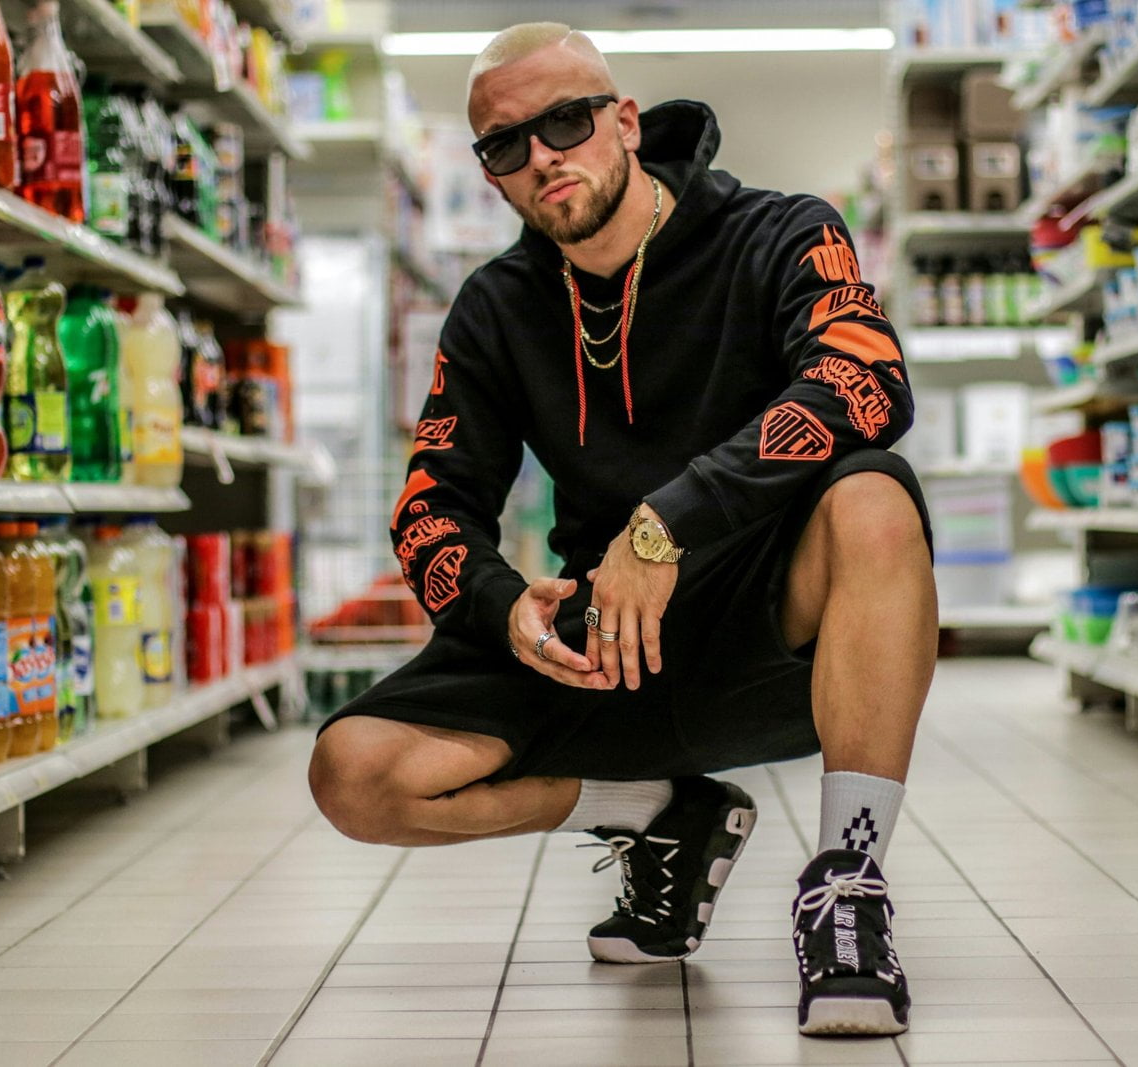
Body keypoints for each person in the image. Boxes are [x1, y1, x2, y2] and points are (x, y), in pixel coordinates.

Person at [309, 22, 938, 1037]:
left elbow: (866, 380)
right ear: (490, 174)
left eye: (565, 119)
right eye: (505, 144)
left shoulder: (782, 233)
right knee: (355, 772)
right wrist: (504, 603)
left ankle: (849, 884)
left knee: (872, 493)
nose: (542, 155)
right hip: (604, 646)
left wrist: (667, 524)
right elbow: (430, 505)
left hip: (772, 633)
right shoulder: (495, 307)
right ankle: (659, 813)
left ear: (625, 121)